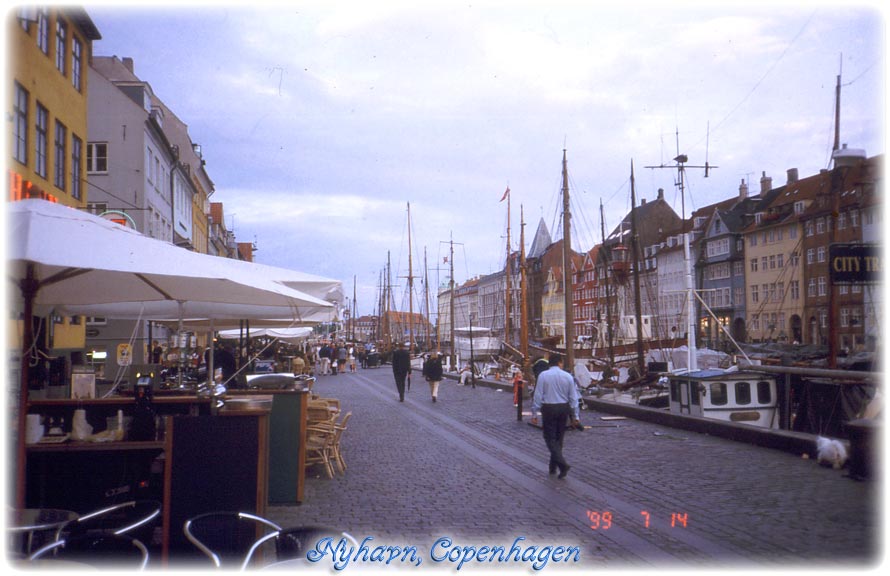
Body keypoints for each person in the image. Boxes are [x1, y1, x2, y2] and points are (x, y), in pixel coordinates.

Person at [530, 353, 581, 479]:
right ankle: (553, 467)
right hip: (563, 408)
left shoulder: (543, 376)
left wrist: (534, 412)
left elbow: (538, 395)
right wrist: (575, 416)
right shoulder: (568, 376)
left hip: (548, 408)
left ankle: (562, 464)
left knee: (549, 438)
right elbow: (573, 398)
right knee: (559, 437)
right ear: (560, 363)